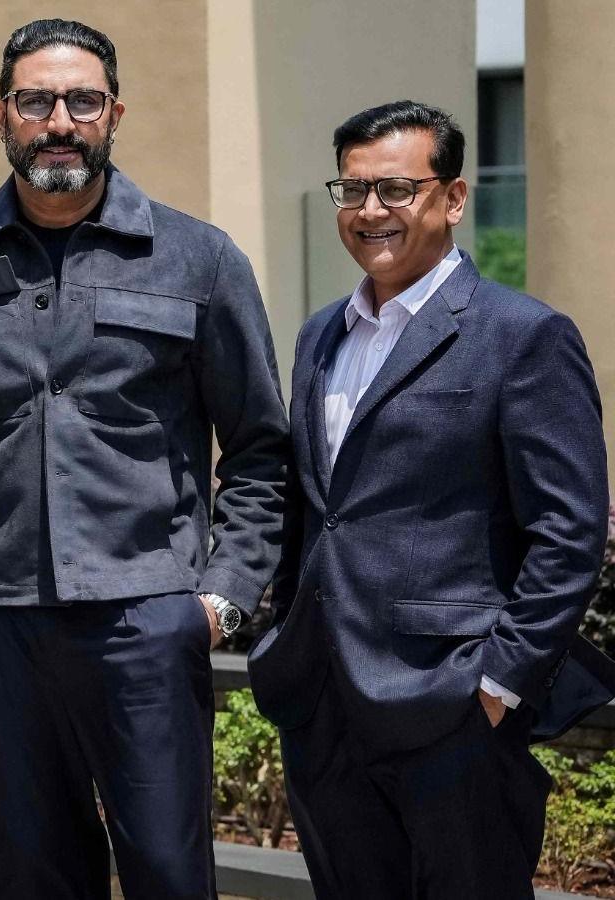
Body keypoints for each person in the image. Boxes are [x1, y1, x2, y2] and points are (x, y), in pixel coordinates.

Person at [0, 19, 289, 899]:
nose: (59, 121)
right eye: (36, 101)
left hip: (146, 623)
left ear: (115, 113)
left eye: (82, 101)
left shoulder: (200, 261)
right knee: (28, 878)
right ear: (3, 114)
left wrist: (219, 601)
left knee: (167, 873)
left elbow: (262, 450)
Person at [248, 100, 615, 899]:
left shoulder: (523, 336)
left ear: (451, 199)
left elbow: (570, 530)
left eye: (394, 189)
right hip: (325, 710)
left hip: (452, 713)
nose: (370, 211)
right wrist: (282, 640)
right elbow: (316, 510)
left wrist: (494, 687)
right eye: (352, 191)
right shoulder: (320, 334)